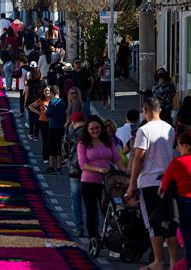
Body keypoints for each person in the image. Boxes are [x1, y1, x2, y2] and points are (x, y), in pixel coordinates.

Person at [125, 97, 178, 270]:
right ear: (160, 110)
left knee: (153, 223)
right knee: (169, 222)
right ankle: (173, 261)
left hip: (149, 181)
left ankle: (158, 261)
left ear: (145, 110)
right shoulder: (170, 129)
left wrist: (132, 185)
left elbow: (139, 158)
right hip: (168, 181)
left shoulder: (144, 130)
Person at [78, 115, 126, 244]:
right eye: (92, 129)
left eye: (97, 128)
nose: (95, 131)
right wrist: (99, 170)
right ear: (87, 130)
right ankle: (93, 236)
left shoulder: (108, 141)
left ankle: (110, 235)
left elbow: (117, 158)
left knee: (109, 210)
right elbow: (83, 164)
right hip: (89, 181)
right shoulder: (83, 143)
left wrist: (126, 172)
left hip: (107, 182)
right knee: (91, 211)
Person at [159, 131, 191, 269]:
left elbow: (163, 187)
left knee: (189, 241)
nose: (178, 148)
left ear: (185, 146)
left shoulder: (177, 163)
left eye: (178, 145)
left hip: (185, 205)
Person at [62, 111, 86, 237]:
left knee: (76, 199)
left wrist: (68, 161)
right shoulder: (90, 134)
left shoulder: (70, 135)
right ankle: (95, 228)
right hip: (89, 171)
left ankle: (79, 227)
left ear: (73, 122)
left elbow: (64, 153)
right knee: (90, 200)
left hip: (74, 171)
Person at [45, 85, 67, 174]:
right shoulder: (62, 102)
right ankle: (59, 167)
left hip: (53, 126)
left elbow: (48, 114)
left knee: (52, 147)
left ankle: (51, 167)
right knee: (59, 147)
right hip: (61, 127)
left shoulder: (52, 102)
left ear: (52, 93)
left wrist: (46, 110)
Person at [30, 85, 51, 163]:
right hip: (43, 122)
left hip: (52, 122)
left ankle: (51, 156)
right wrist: (38, 112)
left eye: (48, 90)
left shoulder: (53, 100)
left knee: (51, 140)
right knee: (45, 140)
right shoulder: (41, 100)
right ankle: (45, 157)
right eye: (45, 91)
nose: (47, 92)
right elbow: (31, 106)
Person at [24, 64, 46, 140]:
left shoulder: (29, 81)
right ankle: (36, 135)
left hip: (30, 102)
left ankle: (31, 133)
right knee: (37, 118)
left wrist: (25, 102)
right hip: (39, 102)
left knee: (31, 118)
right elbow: (45, 91)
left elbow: (26, 92)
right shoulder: (43, 82)